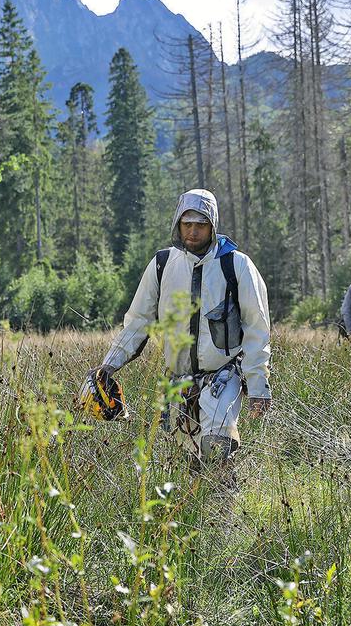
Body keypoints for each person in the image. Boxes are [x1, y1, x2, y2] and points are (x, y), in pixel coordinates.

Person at [93, 189, 271, 475]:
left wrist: (258, 387)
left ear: (212, 225)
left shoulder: (236, 265)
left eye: (200, 224)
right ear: (177, 223)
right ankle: (201, 514)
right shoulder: (162, 265)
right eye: (187, 224)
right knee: (190, 462)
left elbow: (257, 328)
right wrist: (109, 364)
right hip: (177, 383)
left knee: (217, 446)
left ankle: (223, 513)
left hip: (223, 378)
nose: (192, 231)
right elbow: (138, 321)